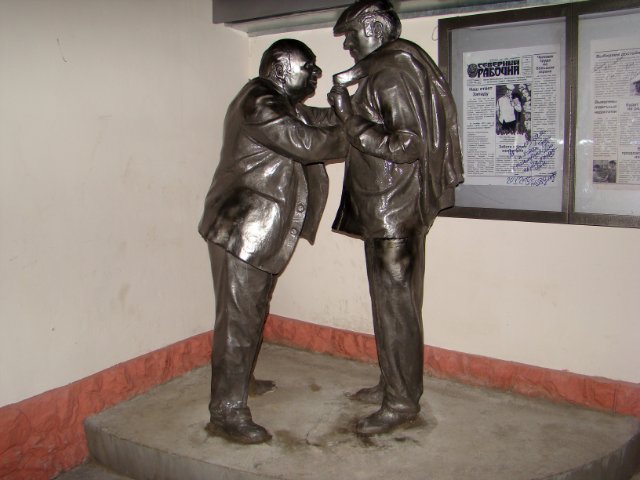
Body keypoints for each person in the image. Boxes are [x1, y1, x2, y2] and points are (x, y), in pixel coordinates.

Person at [198, 39, 346, 444]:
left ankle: (240, 381)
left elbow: (319, 119)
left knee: (252, 312)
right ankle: (226, 411)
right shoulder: (260, 102)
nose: (316, 74)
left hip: (256, 230)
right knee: (238, 321)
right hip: (240, 229)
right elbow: (310, 143)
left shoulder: (281, 102)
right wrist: (362, 134)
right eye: (309, 67)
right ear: (281, 69)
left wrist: (353, 110)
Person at [328, 0, 463, 436]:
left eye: (352, 33)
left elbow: (407, 145)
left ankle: (402, 402)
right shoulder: (389, 68)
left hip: (394, 212)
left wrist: (349, 118)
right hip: (388, 210)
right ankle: (393, 384)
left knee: (396, 310)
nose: (347, 44)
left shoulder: (390, 73)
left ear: (373, 26)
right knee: (391, 308)